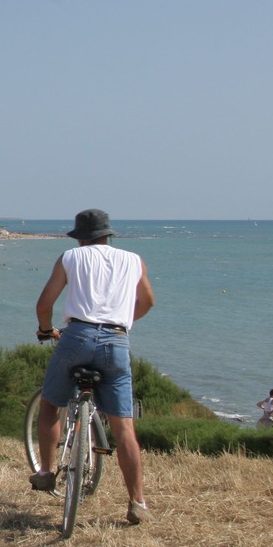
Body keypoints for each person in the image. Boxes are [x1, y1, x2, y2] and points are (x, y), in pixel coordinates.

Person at [30, 209, 156, 526]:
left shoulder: (71, 258)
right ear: (108, 234)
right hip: (116, 340)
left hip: (77, 337)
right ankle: (137, 502)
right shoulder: (133, 260)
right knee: (124, 427)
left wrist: (46, 329)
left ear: (81, 237)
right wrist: (123, 322)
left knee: (50, 405)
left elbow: (44, 304)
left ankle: (46, 472)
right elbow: (147, 301)